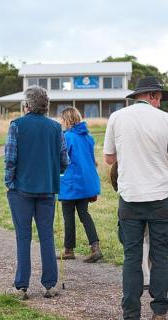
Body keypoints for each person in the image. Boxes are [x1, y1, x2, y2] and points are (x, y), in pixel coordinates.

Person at [103, 76, 168, 320]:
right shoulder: (165, 119)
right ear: (151, 95)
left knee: (132, 257)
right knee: (160, 254)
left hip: (129, 196)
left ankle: (131, 313)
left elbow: (109, 158)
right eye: (159, 98)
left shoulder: (117, 118)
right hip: (161, 195)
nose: (160, 103)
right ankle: (160, 310)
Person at [4, 85, 68, 300]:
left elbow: (10, 158)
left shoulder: (17, 126)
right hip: (47, 189)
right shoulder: (56, 128)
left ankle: (21, 286)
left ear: (27, 105)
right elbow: (63, 161)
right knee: (46, 236)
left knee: (23, 237)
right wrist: (52, 172)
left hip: (21, 189)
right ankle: (49, 285)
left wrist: (9, 182)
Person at [58, 106, 102, 263]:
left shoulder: (67, 137)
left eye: (62, 119)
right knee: (84, 214)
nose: (61, 122)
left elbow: (61, 160)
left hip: (71, 183)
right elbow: (92, 160)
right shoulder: (88, 137)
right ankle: (95, 247)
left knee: (68, 215)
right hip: (85, 183)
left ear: (67, 120)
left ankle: (69, 250)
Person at [110, 162, 151, 289]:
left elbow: (114, 175)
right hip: (156, 197)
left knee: (136, 241)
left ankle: (145, 277)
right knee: (152, 238)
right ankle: (150, 275)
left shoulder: (125, 153)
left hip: (130, 199)